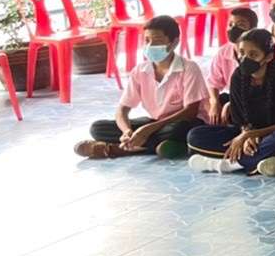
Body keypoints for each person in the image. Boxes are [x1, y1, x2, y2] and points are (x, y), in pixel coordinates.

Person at [74, 16, 209, 160]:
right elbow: (122, 109)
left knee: (179, 129)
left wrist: (148, 129)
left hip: (184, 122)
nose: (150, 45)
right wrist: (127, 131)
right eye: (147, 40)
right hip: (157, 123)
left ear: (174, 43)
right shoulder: (140, 71)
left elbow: (190, 112)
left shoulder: (188, 68)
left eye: (157, 40)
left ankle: (120, 149)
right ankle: (147, 145)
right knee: (97, 128)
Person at [186, 28, 275, 176]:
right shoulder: (238, 76)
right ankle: (266, 159)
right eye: (241, 53)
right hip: (255, 133)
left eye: (253, 54)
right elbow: (242, 122)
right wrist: (246, 134)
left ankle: (227, 165)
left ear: (268, 57)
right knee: (195, 137)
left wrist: (249, 136)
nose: (244, 58)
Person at [207, 5, 257, 120]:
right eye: (230, 24)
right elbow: (213, 83)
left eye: (240, 25)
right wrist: (215, 103)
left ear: (253, 29)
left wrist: (232, 105)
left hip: (256, 102)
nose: (233, 29)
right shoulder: (223, 52)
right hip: (235, 99)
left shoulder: (258, 53)